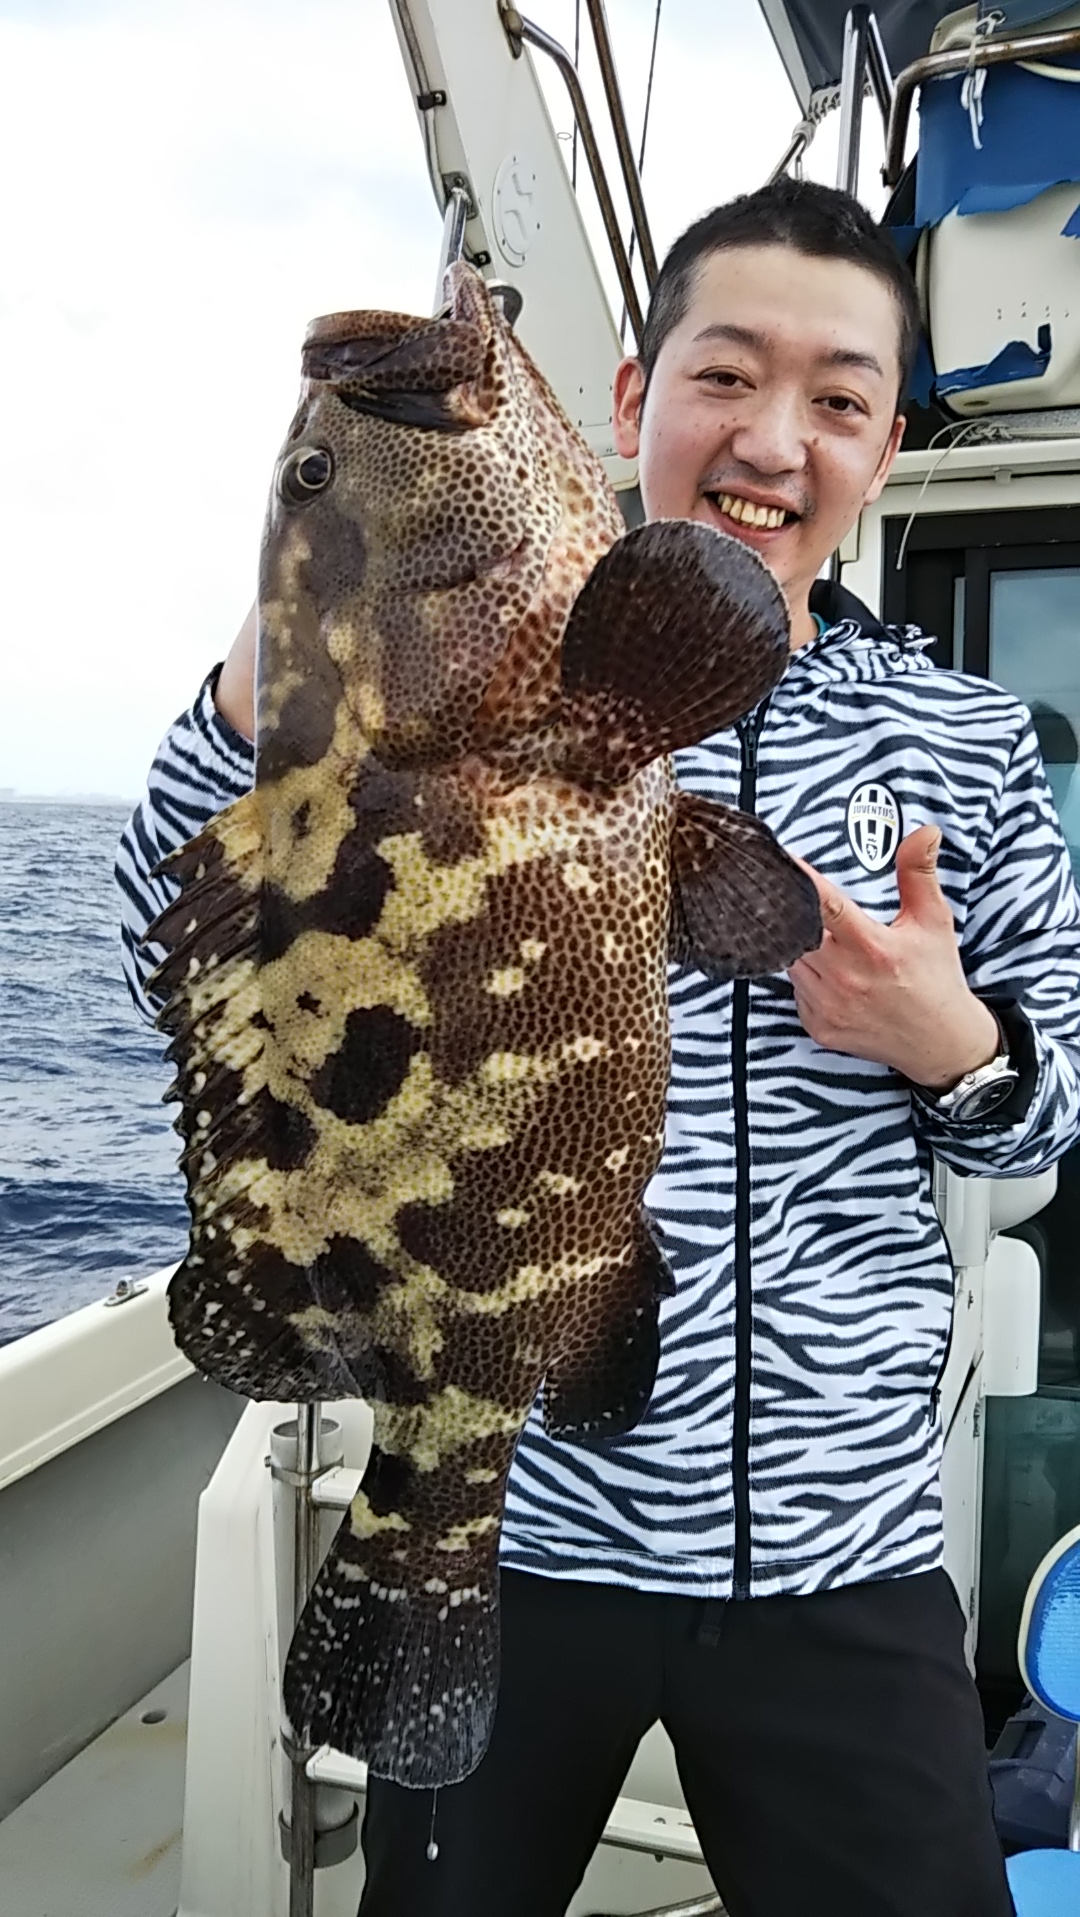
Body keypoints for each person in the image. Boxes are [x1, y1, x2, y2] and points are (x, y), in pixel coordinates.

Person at [116, 178, 1080, 1917]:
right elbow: (165, 934)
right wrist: (297, 642)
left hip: (840, 1567)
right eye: (727, 375)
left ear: (880, 445)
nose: (775, 437)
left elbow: (1043, 1128)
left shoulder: (965, 741)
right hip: (524, 1523)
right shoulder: (415, 692)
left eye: (841, 399)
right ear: (632, 402)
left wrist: (955, 1043)